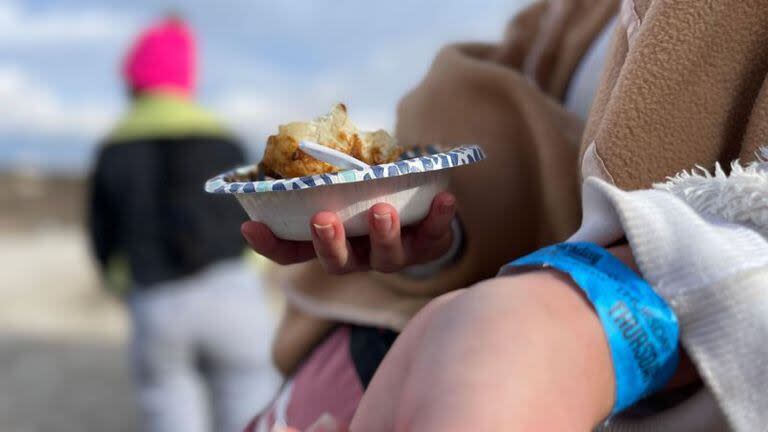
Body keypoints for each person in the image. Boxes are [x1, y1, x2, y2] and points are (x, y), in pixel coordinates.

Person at [245, 0, 768, 430]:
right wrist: (435, 236)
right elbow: (507, 167)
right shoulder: (567, 15)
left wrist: (598, 311)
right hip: (382, 359)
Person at [87, 16, 280, 432]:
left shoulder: (112, 147)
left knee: (167, 402)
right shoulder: (222, 138)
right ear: (188, 77)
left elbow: (102, 233)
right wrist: (254, 264)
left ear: (134, 82)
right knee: (250, 399)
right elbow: (256, 207)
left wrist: (118, 279)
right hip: (233, 293)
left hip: (155, 299)